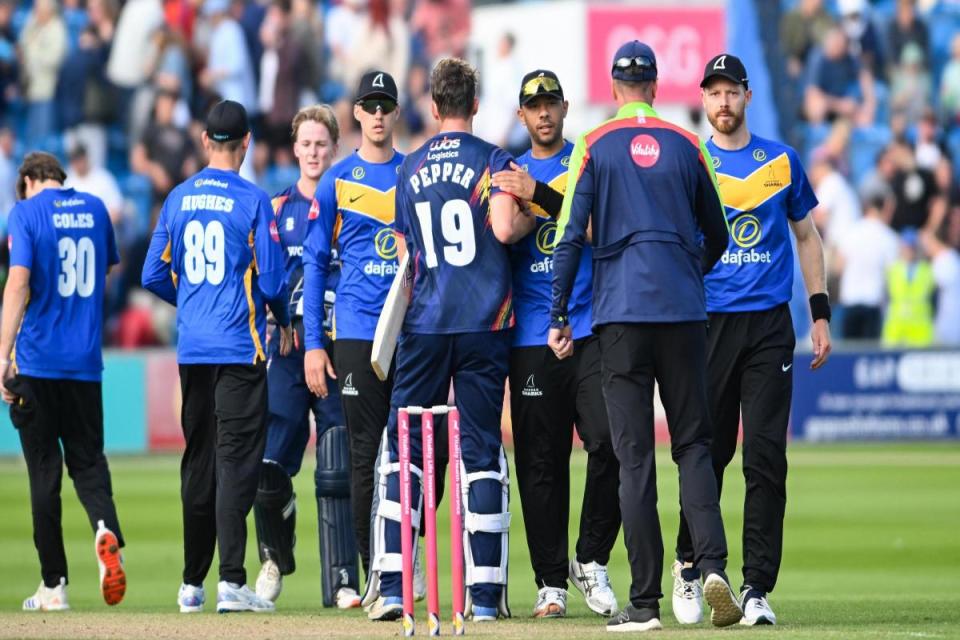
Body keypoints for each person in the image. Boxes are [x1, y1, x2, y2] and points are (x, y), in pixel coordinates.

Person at [549, 41, 738, 632]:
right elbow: (721, 233)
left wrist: (558, 312)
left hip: (621, 315)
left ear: (614, 86)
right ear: (656, 86)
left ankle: (646, 603)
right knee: (694, 446)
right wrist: (685, 271)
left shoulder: (592, 144)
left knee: (634, 459)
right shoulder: (689, 144)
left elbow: (570, 236)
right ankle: (711, 568)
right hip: (683, 312)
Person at [367, 56, 533, 623]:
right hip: (486, 323)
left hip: (426, 326)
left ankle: (393, 587)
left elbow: (405, 253)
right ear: (476, 105)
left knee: (406, 453)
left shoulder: (408, 168)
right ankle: (484, 598)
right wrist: (534, 217)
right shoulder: (493, 159)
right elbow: (508, 228)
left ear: (434, 107)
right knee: (481, 450)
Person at [671, 53, 832, 628]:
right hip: (708, 323)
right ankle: (689, 565)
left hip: (768, 326)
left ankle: (757, 588)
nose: (721, 103)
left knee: (766, 459)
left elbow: (807, 238)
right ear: (705, 99)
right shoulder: (690, 162)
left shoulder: (781, 161)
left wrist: (819, 312)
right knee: (708, 453)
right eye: (712, 93)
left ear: (746, 95)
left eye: (730, 92)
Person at [141, 99, 293, 614]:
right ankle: (232, 581)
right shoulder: (253, 201)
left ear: (206, 142)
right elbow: (271, 281)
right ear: (246, 143)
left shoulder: (178, 198)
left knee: (198, 462)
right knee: (236, 464)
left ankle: (191, 584)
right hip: (238, 347)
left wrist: (190, 300)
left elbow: (152, 273)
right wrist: (285, 317)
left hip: (194, 350)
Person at [489, 70, 620, 619]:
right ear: (521, 115)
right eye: (533, 106)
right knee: (540, 462)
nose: (543, 114)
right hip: (529, 334)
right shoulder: (505, 168)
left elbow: (599, 228)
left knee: (612, 443)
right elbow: (505, 231)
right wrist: (527, 197)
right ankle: (550, 582)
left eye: (550, 104)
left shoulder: (588, 159)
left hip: (589, 325)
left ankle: (590, 559)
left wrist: (538, 195)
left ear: (566, 107)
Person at [0, 152, 126, 611]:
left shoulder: (26, 213)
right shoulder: (95, 208)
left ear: (31, 180)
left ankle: (54, 585)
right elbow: (109, 268)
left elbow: (18, 283)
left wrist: (1, 354)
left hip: (36, 362)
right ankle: (104, 528)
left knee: (43, 474)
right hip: (85, 363)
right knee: (89, 463)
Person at [251, 104, 360, 610]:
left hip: (340, 353)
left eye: (322, 144)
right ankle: (274, 557)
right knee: (267, 468)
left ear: (334, 148)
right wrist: (277, 320)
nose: (314, 152)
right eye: (306, 143)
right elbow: (263, 280)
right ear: (294, 148)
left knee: (338, 469)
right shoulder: (274, 209)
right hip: (288, 355)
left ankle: (343, 579)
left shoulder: (349, 204)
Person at [302, 70, 405, 602]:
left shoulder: (413, 175)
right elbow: (316, 266)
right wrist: (314, 344)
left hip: (410, 335)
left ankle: (401, 557)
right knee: (365, 453)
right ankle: (376, 574)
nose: (379, 114)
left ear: (395, 112)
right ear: (357, 115)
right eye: (371, 105)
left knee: (412, 455)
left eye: (386, 104)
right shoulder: (337, 181)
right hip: (359, 334)